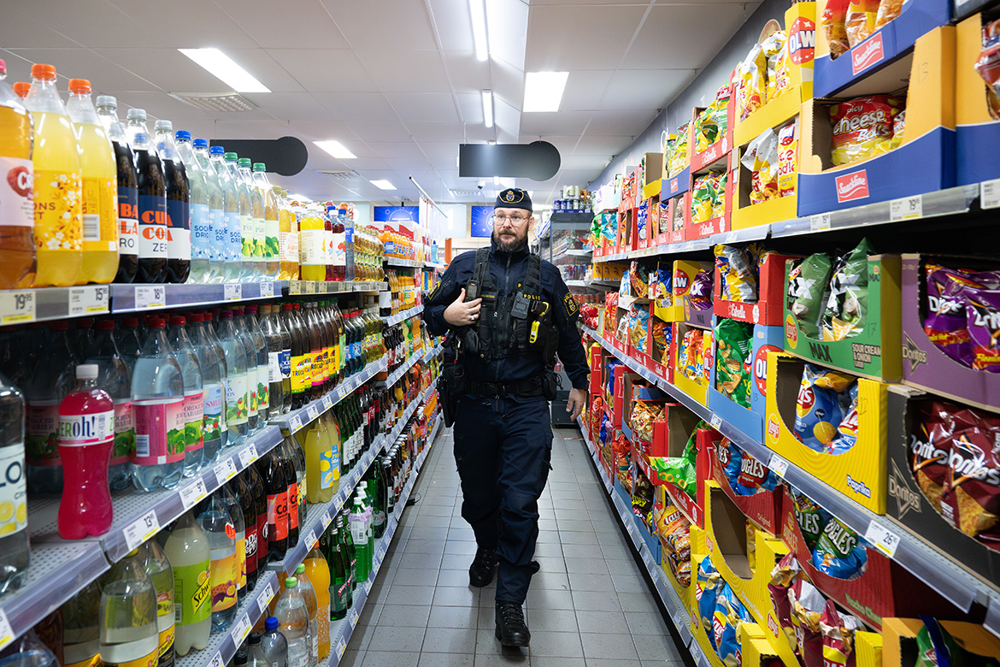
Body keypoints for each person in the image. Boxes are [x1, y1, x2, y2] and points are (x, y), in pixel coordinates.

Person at [424, 188, 589, 648]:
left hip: (526, 405)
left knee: (519, 501)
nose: (507, 223)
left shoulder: (548, 275)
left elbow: (569, 333)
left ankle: (510, 602)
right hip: (474, 403)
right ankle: (487, 545)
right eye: (500, 215)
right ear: (492, 221)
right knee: (478, 497)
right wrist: (448, 314)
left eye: (516, 216)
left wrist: (580, 381)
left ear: (529, 223)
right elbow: (429, 314)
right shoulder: (464, 267)